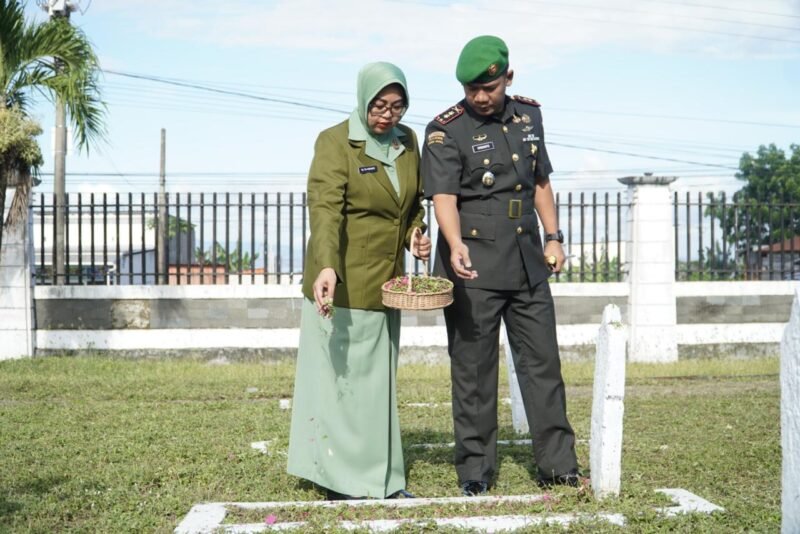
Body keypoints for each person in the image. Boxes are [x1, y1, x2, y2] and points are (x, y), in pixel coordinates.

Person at [421, 35, 580, 496]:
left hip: (528, 259)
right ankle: (475, 469)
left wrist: (554, 237)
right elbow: (444, 197)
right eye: (471, 89)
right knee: (473, 368)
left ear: (507, 78)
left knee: (542, 364)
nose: (479, 97)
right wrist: (452, 245)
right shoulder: (445, 129)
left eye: (487, 88)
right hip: (472, 261)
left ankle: (559, 465)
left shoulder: (530, 115)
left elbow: (541, 182)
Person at [287, 61, 431, 500]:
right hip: (342, 282)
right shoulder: (335, 142)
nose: (388, 115)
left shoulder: (408, 143)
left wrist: (414, 236)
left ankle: (372, 474)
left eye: (398, 106)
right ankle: (343, 480)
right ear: (363, 99)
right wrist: (326, 266)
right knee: (340, 387)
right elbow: (325, 210)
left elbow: (409, 206)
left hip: (386, 284)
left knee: (375, 390)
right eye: (379, 106)